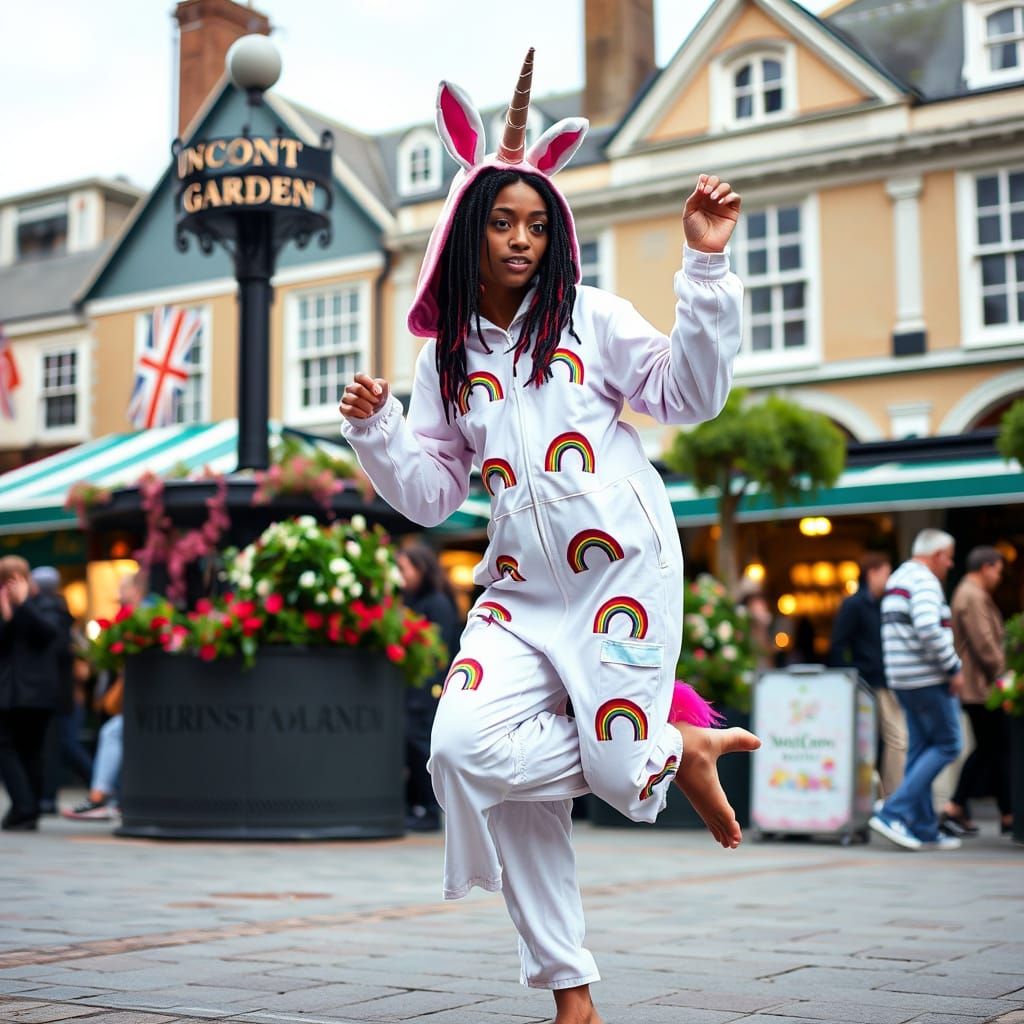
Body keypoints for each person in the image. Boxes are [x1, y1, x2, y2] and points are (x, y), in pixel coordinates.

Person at [339, 50, 759, 1024]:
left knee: (606, 771)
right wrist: (377, 429)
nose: (522, 238)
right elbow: (433, 495)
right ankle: (659, 758)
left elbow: (691, 395)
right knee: (458, 749)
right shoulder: (443, 363)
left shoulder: (592, 318)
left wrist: (703, 263)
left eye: (537, 222)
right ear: (467, 229)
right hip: (520, 594)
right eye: (503, 220)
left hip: (623, 571)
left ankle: (576, 985)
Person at [870, 529, 963, 851]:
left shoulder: (898, 578)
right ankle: (893, 811)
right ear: (937, 554)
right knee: (950, 744)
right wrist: (954, 667)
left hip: (903, 679)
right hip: (928, 679)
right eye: (949, 557)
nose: (950, 565)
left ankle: (924, 827)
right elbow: (927, 626)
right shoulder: (924, 581)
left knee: (921, 748)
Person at [62, 571, 148, 822]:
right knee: (114, 733)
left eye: (123, 589)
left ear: (136, 590)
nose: (118, 595)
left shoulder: (144, 615)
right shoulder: (132, 618)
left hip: (139, 700)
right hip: (130, 700)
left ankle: (100, 798)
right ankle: (111, 797)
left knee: (112, 732)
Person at [942, 546, 1012, 837]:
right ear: (986, 567)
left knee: (994, 748)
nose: (999, 576)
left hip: (979, 686)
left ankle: (1006, 813)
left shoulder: (971, 593)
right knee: (992, 747)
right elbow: (984, 643)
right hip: (981, 688)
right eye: (998, 569)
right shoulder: (971, 595)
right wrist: (1004, 676)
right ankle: (954, 807)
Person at [828, 552, 906, 799]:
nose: (890, 578)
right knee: (887, 741)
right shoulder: (854, 605)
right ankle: (891, 801)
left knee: (887, 742)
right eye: (886, 572)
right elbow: (838, 646)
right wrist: (851, 681)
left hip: (884, 681)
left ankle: (889, 799)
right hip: (867, 684)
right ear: (872, 572)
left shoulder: (884, 603)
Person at [396, 542, 463, 832]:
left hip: (428, 691)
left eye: (404, 569)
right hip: (416, 689)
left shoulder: (436, 603)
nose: (401, 576)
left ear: (420, 568)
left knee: (421, 745)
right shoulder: (413, 601)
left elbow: (439, 652)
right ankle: (420, 807)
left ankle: (429, 808)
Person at [0, 556, 62, 830]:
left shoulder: (48, 605)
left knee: (30, 752)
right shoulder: (6, 611)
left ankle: (27, 808)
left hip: (35, 694)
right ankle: (26, 810)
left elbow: (48, 634)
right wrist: (8, 615)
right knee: (18, 751)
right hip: (9, 694)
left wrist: (23, 604)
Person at [34, 566, 93, 812]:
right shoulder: (64, 616)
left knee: (61, 744)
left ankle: (102, 787)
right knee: (60, 745)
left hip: (60, 693)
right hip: (63, 693)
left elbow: (73, 661)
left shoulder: (49, 615)